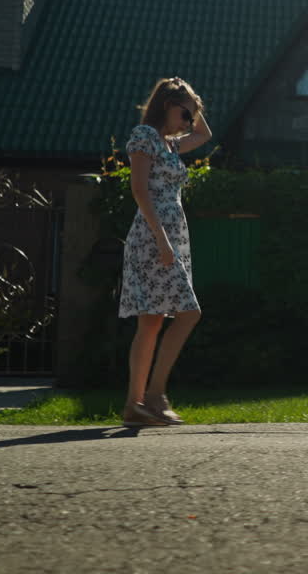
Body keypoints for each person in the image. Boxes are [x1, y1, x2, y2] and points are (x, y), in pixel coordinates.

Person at [118, 77, 213, 427]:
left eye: (192, 110)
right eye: (183, 109)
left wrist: (193, 103)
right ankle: (154, 396)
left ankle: (136, 404)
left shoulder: (171, 145)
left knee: (153, 321)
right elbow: (140, 190)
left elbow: (205, 136)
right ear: (166, 105)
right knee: (186, 314)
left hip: (171, 235)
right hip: (152, 236)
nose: (189, 117)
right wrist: (161, 239)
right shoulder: (145, 137)